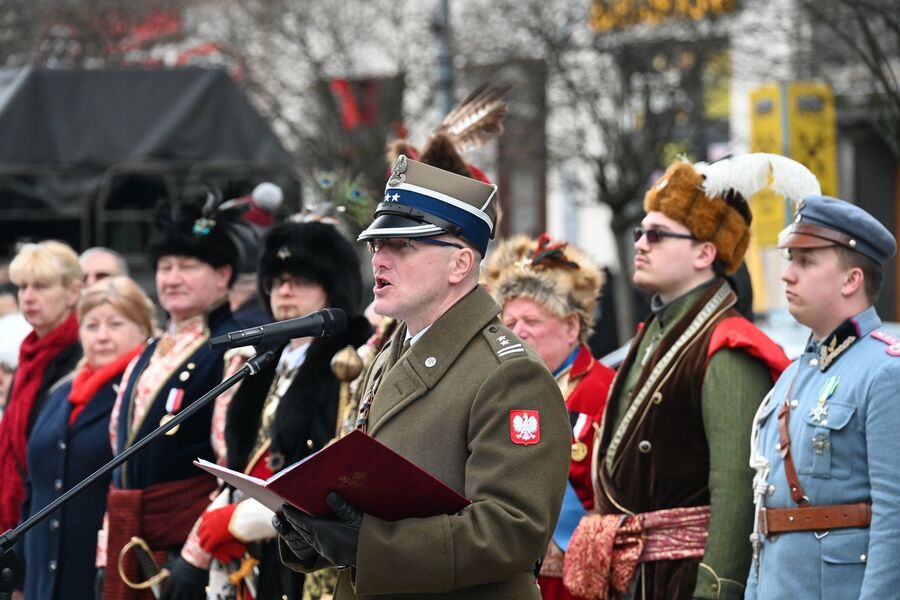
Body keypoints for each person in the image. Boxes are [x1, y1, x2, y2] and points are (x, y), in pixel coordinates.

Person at [273, 156, 571, 599]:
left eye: (403, 246)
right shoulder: (393, 351)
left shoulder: (511, 373)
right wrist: (313, 532)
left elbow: (513, 529)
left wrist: (369, 547)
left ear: (460, 264)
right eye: (377, 245)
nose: (380, 259)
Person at [564, 154, 817, 600]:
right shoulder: (656, 333)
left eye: (657, 234)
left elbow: (737, 493)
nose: (640, 243)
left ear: (705, 252)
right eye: (641, 232)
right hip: (638, 577)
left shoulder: (728, 346)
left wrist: (715, 591)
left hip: (682, 580)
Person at [192, 219, 372, 600]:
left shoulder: (349, 365)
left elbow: (336, 476)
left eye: (302, 282)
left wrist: (243, 521)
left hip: (309, 554)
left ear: (332, 289)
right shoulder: (263, 362)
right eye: (277, 282)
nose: (285, 292)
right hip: (254, 560)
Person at [97, 195, 253, 600]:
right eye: (165, 267)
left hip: (189, 546)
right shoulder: (148, 351)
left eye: (187, 266)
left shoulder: (231, 352)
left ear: (223, 275)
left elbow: (232, 470)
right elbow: (118, 464)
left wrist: (195, 557)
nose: (172, 278)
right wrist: (104, 554)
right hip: (130, 540)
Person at [745, 196, 900, 599]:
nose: (787, 275)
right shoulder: (793, 375)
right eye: (789, 259)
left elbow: (895, 517)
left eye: (806, 261)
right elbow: (768, 521)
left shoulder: (887, 371)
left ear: (851, 280)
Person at [486, 232, 616, 600]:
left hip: (578, 582)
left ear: (572, 327)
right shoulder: (497, 387)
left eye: (532, 321)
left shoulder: (604, 391)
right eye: (508, 324)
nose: (518, 333)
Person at [21, 276, 154, 600]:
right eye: (92, 325)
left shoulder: (145, 393)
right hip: (43, 575)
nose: (102, 336)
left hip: (102, 572)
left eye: (115, 323)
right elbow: (33, 484)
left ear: (143, 329)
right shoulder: (62, 393)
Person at [0, 240, 83, 533]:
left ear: (73, 291)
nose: (28, 297)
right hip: (20, 515)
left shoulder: (84, 354)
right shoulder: (28, 354)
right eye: (23, 287)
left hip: (55, 519)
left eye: (42, 286)